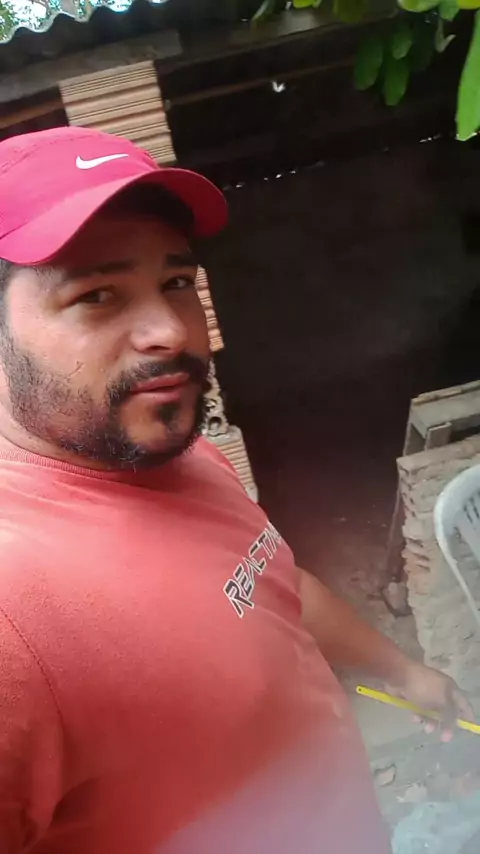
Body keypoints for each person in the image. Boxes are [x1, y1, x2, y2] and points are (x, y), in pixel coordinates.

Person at [0, 126, 472, 854]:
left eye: (177, 283)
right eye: (98, 295)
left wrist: (404, 673)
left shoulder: (181, 457)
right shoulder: (16, 619)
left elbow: (269, 581)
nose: (169, 330)